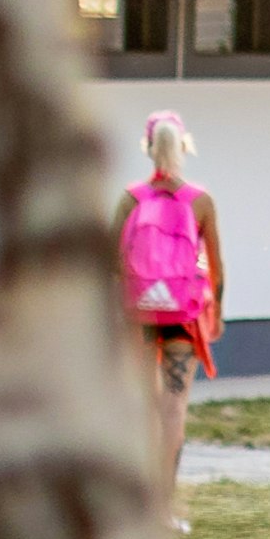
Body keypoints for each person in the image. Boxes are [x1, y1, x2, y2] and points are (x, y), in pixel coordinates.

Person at [115, 112, 225, 517]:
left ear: (147, 148)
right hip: (183, 313)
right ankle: (164, 507)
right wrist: (219, 311)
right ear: (183, 146)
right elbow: (215, 265)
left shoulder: (130, 199)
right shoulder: (202, 201)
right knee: (173, 407)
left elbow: (111, 259)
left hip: (140, 312)